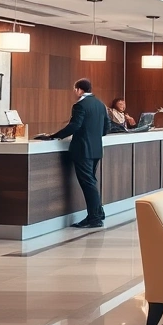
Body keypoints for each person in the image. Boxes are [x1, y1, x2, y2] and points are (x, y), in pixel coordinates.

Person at [40, 78, 112, 227]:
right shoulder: (100, 105)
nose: (74, 92)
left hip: (83, 149)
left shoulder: (80, 105)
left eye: (75, 89)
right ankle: (98, 212)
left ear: (79, 90)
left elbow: (75, 126)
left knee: (88, 183)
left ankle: (94, 218)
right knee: (91, 182)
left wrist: (54, 135)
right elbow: (106, 128)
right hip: (96, 149)